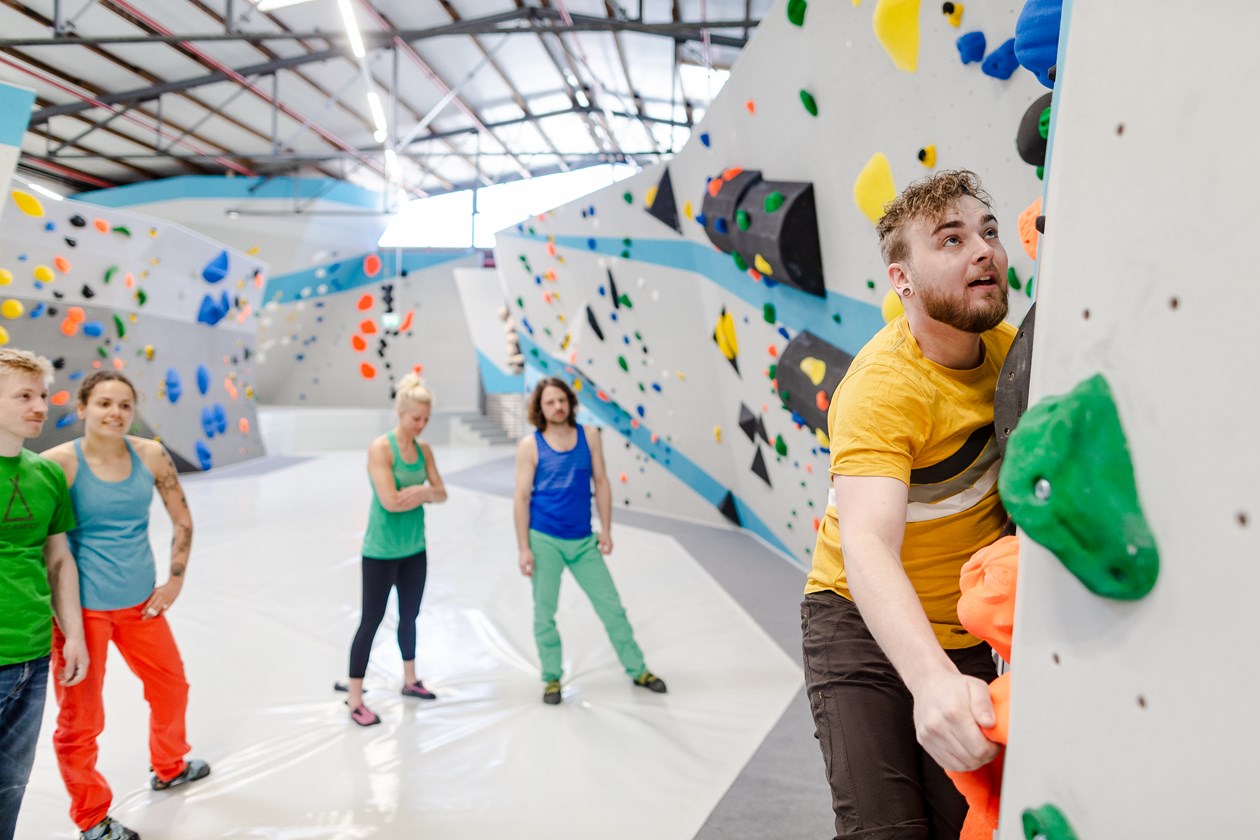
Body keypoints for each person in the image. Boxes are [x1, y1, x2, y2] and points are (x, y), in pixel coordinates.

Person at [801, 170, 1017, 839]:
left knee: (966, 824)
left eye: (988, 232)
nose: (982, 250)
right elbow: (867, 544)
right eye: (950, 240)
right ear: (902, 281)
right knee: (886, 828)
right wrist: (929, 682)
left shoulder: (1014, 356)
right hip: (856, 622)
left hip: (961, 628)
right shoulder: (882, 388)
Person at [42, 371, 209, 840]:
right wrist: (63, 621)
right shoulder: (58, 465)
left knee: (172, 687)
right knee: (81, 718)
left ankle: (170, 766)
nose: (114, 413)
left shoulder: (151, 455)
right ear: (82, 409)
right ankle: (92, 818)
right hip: (83, 613)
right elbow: (45, 548)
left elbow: (182, 521)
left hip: (141, 605)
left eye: (124, 405)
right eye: (103, 404)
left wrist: (175, 581)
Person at [513, 377, 666, 705]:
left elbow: (601, 481)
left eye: (561, 400)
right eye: (549, 402)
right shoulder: (531, 446)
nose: (557, 407)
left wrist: (606, 530)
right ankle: (552, 678)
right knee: (545, 613)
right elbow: (521, 497)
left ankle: (638, 669)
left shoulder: (590, 436)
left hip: (583, 540)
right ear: (540, 408)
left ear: (569, 402)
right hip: (544, 539)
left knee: (612, 608)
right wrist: (524, 547)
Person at [0, 348, 88, 840]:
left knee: (10, 785)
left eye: (41, 394)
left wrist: (71, 635)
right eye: (24, 396)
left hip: (32, 655)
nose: (40, 406)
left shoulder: (47, 475)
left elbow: (58, 560)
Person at [341, 373, 446, 726]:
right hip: (381, 551)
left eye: (426, 420)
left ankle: (410, 680)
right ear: (401, 412)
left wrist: (422, 493)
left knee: (410, 616)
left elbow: (442, 492)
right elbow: (389, 502)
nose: (421, 425)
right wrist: (424, 493)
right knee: (370, 621)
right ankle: (355, 698)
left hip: (414, 549)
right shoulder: (381, 448)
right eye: (417, 418)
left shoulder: (424, 450)